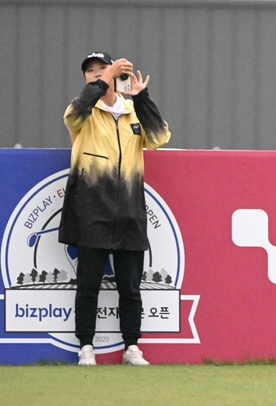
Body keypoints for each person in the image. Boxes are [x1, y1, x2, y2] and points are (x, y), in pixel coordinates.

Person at [59, 52, 171, 366]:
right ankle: (86, 347)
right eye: (90, 72)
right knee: (88, 286)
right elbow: (71, 114)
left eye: (102, 69)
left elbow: (159, 137)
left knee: (130, 287)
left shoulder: (133, 110)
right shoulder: (83, 111)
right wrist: (106, 80)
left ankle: (132, 347)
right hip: (91, 211)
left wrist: (143, 98)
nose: (95, 75)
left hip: (129, 213)